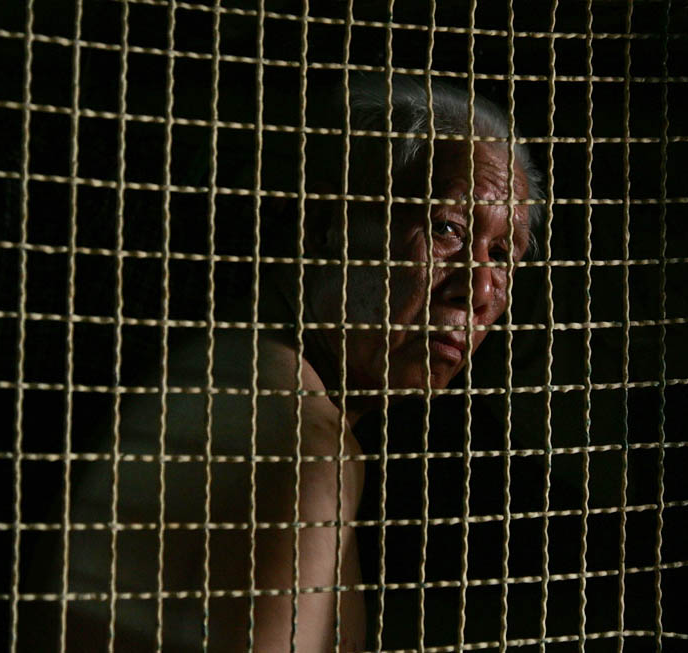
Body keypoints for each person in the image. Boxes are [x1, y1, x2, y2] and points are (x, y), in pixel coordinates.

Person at [61, 75, 541, 651]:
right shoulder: (300, 442)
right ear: (326, 224)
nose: (480, 289)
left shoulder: (243, 376)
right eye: (447, 229)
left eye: (502, 253)